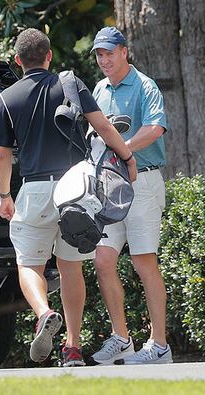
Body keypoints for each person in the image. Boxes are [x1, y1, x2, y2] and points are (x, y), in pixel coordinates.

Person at [0, 28, 136, 367]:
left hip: (36, 190)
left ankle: (43, 312)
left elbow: (2, 156)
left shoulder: (7, 99)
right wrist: (127, 159)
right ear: (49, 55)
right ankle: (72, 348)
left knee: (28, 264)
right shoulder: (70, 84)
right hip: (76, 190)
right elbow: (104, 127)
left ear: (17, 61)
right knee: (71, 268)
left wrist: (4, 196)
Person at [89, 27, 171, 365]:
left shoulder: (145, 86)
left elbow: (155, 129)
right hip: (110, 185)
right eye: (99, 54)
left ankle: (159, 345)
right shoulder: (99, 88)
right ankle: (122, 339)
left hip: (143, 185)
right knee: (103, 260)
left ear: (125, 51)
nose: (104, 59)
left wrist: (123, 150)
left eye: (109, 52)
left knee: (143, 262)